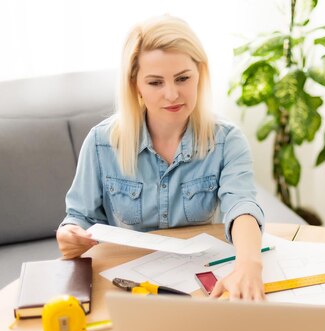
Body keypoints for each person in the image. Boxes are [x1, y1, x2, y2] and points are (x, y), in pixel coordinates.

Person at [56, 16, 266, 301]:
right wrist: (70, 234)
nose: (172, 94)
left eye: (183, 78)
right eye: (155, 82)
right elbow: (79, 217)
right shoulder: (101, 143)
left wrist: (249, 263)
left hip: (199, 286)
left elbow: (241, 205)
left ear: (200, 73)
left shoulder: (226, 140)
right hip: (126, 288)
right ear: (135, 85)